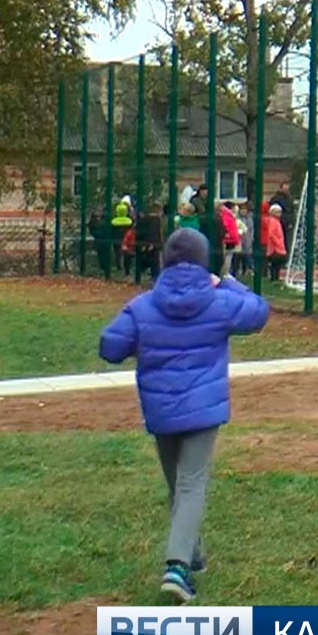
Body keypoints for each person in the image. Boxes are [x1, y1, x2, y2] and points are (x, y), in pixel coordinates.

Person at [99, 227, 271, 602]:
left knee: (179, 484)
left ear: (164, 260)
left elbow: (110, 345)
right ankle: (177, 566)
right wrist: (227, 282)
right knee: (191, 484)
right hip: (203, 410)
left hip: (160, 410)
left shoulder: (143, 305)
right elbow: (259, 312)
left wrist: (143, 342)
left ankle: (191, 554)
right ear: (202, 260)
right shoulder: (219, 302)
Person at [136, 203, 165, 279]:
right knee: (155, 263)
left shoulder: (143, 219)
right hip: (153, 245)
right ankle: (154, 277)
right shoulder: (155, 220)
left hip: (144, 244)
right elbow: (153, 232)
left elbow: (140, 232)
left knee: (145, 260)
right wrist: (153, 243)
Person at [261, 203, 287, 282]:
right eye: (277, 212)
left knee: (277, 264)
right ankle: (274, 278)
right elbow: (271, 234)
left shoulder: (276, 221)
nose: (279, 214)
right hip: (275, 247)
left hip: (277, 245)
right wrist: (277, 242)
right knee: (275, 264)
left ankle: (276, 278)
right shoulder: (273, 221)